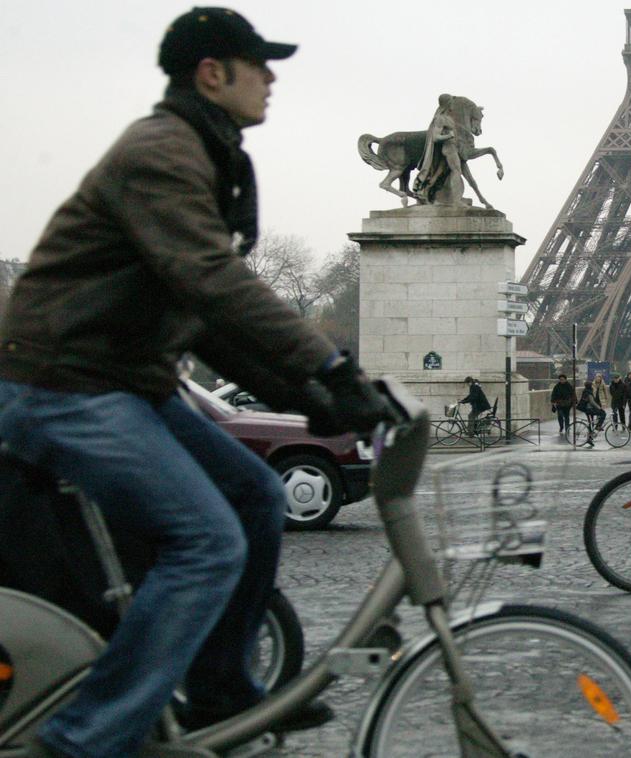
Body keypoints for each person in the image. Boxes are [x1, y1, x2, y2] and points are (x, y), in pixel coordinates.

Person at [0, 9, 391, 757]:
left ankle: (219, 686)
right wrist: (329, 366)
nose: (272, 77)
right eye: (259, 64)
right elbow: (212, 282)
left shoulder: (207, 153)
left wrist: (311, 397)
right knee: (207, 541)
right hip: (62, 384)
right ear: (213, 73)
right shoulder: (163, 152)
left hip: (117, 380)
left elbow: (205, 320)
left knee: (256, 494)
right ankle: (84, 740)